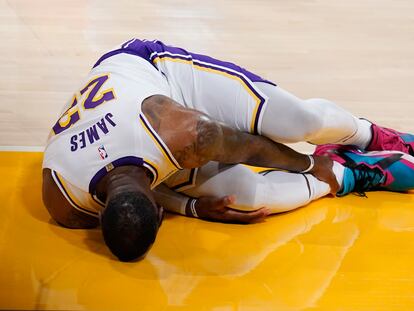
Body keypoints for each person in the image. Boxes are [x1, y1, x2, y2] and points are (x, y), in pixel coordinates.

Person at [42, 38, 414, 261]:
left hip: (162, 75)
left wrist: (307, 163)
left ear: (158, 215)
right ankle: (344, 174)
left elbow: (247, 148)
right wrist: (192, 207)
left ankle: (367, 135)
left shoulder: (181, 135)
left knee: (296, 122)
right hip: (145, 138)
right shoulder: (62, 201)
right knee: (245, 198)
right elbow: (145, 189)